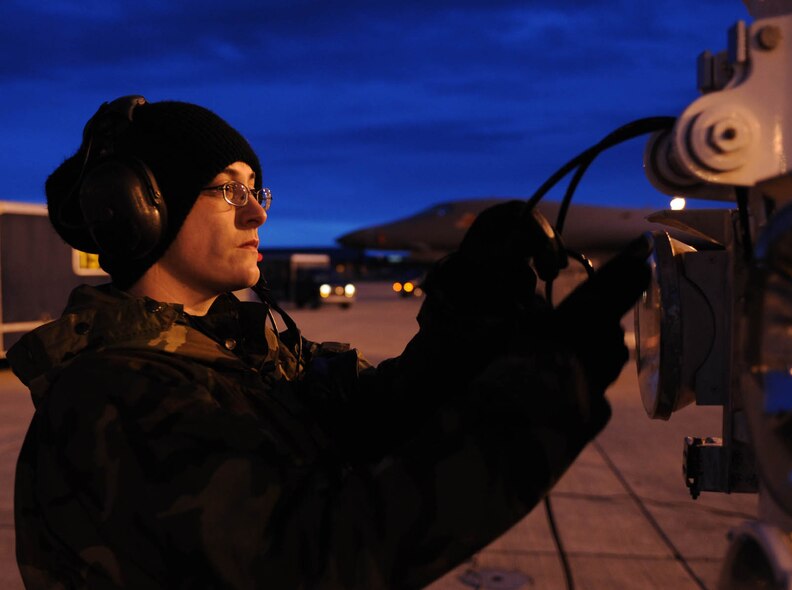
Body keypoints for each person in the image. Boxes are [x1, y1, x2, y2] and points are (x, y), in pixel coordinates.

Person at [8, 96, 649, 589]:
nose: (257, 212)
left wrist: (472, 314)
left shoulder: (241, 354)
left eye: (256, 189)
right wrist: (547, 390)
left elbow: (378, 416)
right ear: (141, 207)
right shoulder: (114, 396)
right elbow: (319, 551)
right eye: (228, 189)